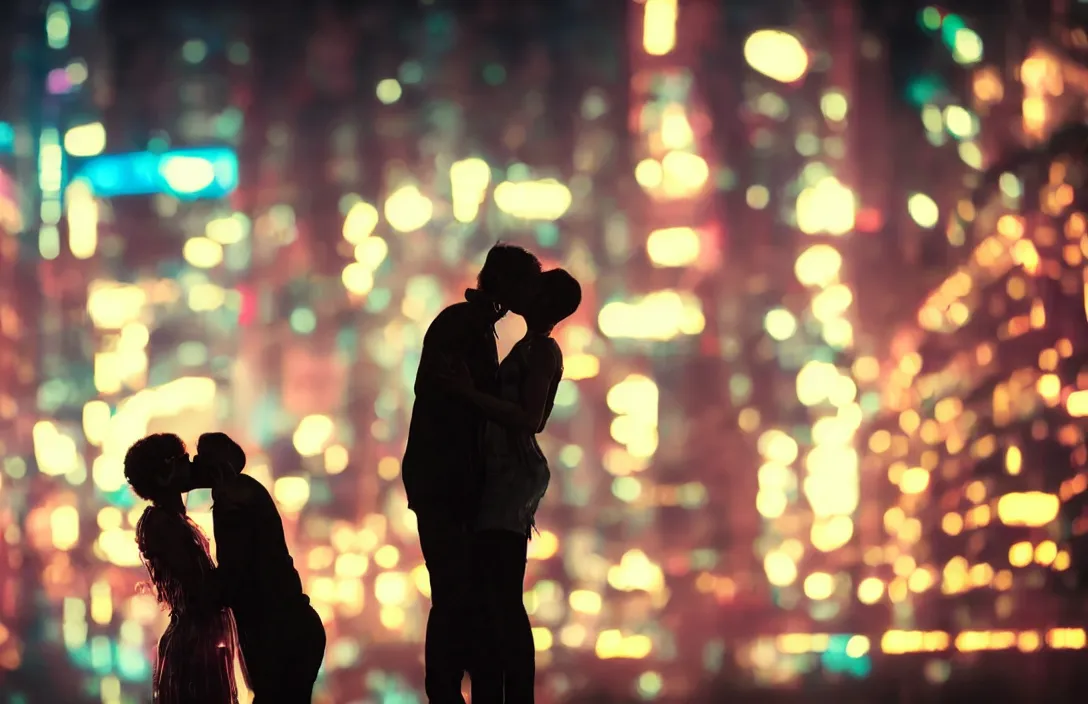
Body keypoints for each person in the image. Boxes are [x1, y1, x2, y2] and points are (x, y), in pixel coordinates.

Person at [402, 242, 542, 703]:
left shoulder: (475, 327)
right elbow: (443, 394)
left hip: (449, 479)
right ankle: (445, 693)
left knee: (460, 593)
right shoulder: (463, 326)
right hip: (446, 480)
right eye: (526, 284)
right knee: (453, 593)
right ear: (505, 284)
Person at [443, 268, 582, 704]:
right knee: (498, 591)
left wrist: (468, 394)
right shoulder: (531, 347)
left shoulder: (541, 351)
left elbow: (527, 419)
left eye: (535, 287)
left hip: (511, 478)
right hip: (505, 474)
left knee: (502, 593)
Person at [188, 432, 326, 703]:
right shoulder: (244, 491)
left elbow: (233, 572)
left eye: (199, 459)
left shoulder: (232, 498)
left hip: (278, 633)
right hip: (290, 627)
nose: (193, 465)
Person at [124, 433, 241, 704]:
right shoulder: (161, 524)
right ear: (167, 473)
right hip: (195, 647)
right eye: (185, 461)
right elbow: (202, 590)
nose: (192, 466)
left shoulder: (170, 520)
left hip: (199, 642)